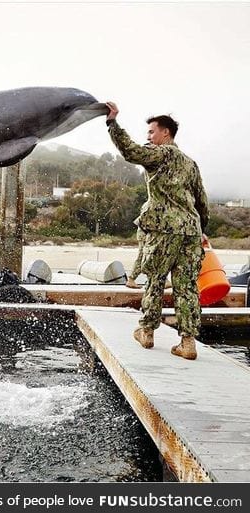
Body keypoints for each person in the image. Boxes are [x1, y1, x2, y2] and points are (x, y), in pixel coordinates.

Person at [106, 102, 209, 360]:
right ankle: (187, 342)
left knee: (155, 279)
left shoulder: (161, 154)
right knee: (187, 287)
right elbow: (202, 201)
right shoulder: (190, 163)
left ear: (165, 133)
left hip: (164, 229)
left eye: (151, 132)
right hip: (191, 230)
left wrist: (112, 123)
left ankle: (147, 332)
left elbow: (130, 151)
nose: (149, 137)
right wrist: (202, 229)